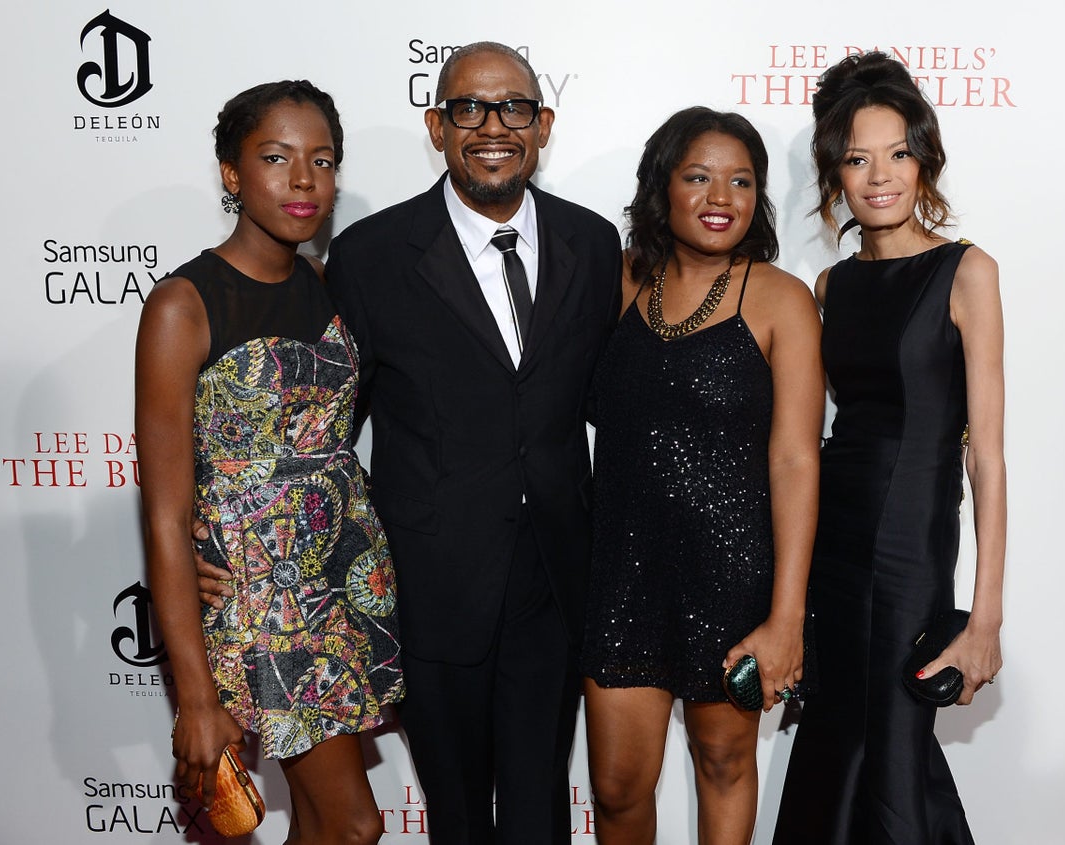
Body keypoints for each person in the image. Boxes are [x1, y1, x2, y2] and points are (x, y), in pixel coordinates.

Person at [188, 42, 621, 843]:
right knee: (456, 814)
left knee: (541, 810)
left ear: (543, 123)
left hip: (557, 583)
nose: (492, 126)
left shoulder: (593, 244)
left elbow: (612, 400)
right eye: (468, 108)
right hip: (428, 584)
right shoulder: (370, 254)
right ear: (437, 125)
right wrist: (212, 526)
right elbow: (318, 426)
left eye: (514, 107)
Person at [136, 80, 404, 845]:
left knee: (322, 823)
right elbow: (166, 514)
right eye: (277, 158)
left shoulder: (319, 282)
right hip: (264, 598)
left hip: (340, 579)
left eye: (322, 160)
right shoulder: (182, 305)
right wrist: (195, 696)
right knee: (354, 824)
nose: (303, 180)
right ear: (232, 172)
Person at [773, 51, 1006, 844]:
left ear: (924, 160)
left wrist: (985, 618)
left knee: (896, 742)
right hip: (833, 538)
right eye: (857, 159)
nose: (880, 177)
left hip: (912, 542)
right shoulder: (830, 288)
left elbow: (987, 456)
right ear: (834, 173)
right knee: (836, 737)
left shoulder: (966, 272)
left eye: (898, 154)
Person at [581, 107, 823, 844]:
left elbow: (795, 460)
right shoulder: (622, 281)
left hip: (732, 579)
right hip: (622, 573)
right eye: (698, 177)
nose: (721, 197)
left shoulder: (782, 298)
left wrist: (786, 618)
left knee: (723, 761)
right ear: (663, 186)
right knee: (617, 788)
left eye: (741, 181)